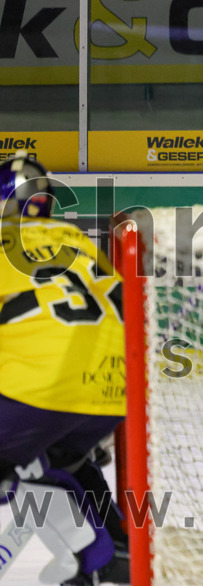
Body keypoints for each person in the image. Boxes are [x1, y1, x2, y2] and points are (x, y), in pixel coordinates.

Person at [0, 153, 130, 585]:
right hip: (115, 391)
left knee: (24, 462)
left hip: (38, 394)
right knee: (64, 458)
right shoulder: (78, 239)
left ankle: (85, 549)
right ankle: (114, 550)